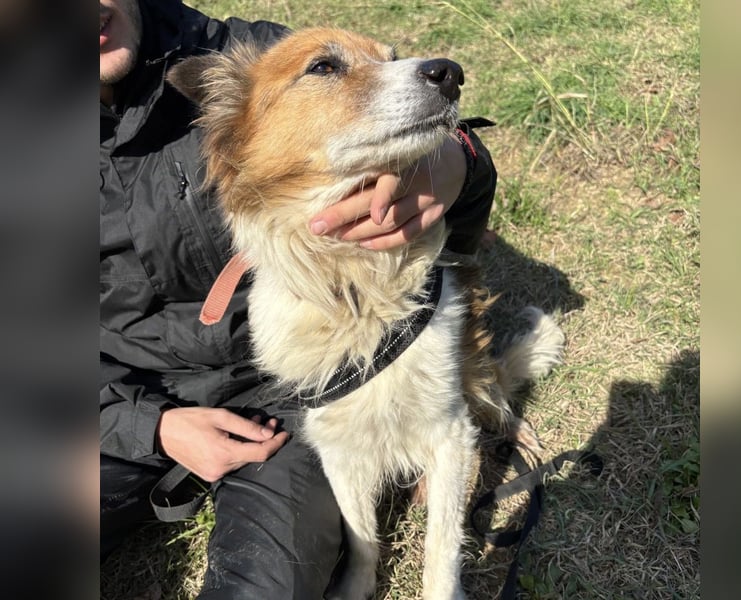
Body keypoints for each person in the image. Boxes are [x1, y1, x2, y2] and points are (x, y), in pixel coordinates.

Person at [99, 0, 497, 597]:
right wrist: (144, 425)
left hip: (284, 391)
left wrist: (455, 162)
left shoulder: (242, 54)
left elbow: (431, 142)